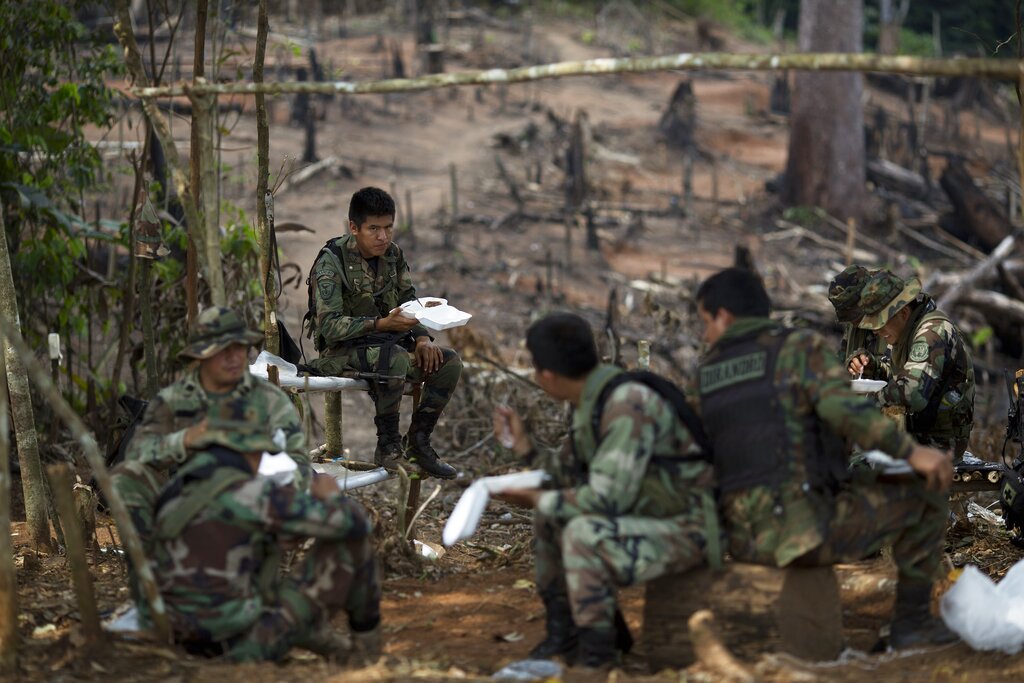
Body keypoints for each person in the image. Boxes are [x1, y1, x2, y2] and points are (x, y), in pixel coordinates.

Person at [695, 267, 956, 650]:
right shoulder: (799, 350)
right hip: (803, 531)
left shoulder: (705, 376)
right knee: (923, 493)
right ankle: (912, 626)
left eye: (705, 323)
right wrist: (916, 456)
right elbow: (854, 416)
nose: (706, 335)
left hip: (738, 538)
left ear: (724, 316)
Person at [492, 312, 719, 669]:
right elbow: (571, 476)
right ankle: (565, 636)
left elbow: (605, 499)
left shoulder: (626, 404)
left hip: (690, 528)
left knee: (583, 533)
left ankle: (597, 662)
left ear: (546, 375)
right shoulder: (594, 399)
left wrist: (537, 498)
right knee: (552, 519)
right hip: (650, 516)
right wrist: (526, 450)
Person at [151, 398, 380, 663]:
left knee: (269, 592)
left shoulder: (172, 493)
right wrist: (332, 497)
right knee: (352, 544)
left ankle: (337, 650)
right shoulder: (255, 495)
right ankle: (367, 657)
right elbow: (356, 523)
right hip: (239, 648)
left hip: (176, 639)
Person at [111, 307, 311, 602]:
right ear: (201, 357)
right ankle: (150, 591)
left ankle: (253, 586)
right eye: (221, 351)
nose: (233, 358)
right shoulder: (176, 400)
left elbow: (299, 464)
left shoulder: (269, 401)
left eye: (239, 349)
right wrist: (185, 439)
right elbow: (139, 451)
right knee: (125, 479)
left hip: (251, 501)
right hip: (189, 500)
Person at [305, 186, 463, 479]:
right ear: (354, 227)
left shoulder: (393, 256)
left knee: (449, 361)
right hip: (341, 352)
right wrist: (379, 325)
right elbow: (329, 327)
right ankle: (388, 447)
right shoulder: (332, 262)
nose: (383, 237)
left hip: (387, 343)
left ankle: (418, 442)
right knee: (395, 359)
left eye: (388, 228)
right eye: (373, 229)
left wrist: (423, 337)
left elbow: (409, 303)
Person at [847, 270, 975, 459]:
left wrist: (872, 401)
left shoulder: (931, 333)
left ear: (904, 313)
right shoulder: (905, 333)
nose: (876, 332)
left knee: (857, 465)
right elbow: (898, 376)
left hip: (938, 443)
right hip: (916, 434)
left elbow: (912, 393)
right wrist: (872, 367)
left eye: (880, 324)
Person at [827, 264, 886, 376]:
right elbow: (841, 361)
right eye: (849, 318)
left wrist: (874, 367)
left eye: (856, 316)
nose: (854, 323)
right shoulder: (853, 326)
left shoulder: (893, 322)